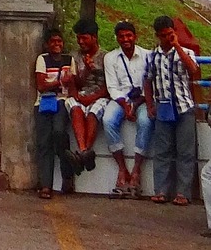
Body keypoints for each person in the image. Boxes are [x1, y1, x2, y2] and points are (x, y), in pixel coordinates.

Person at [145, 14, 201, 205]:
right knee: (162, 151)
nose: (166, 38)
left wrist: (177, 46)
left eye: (169, 34)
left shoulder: (186, 52)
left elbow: (193, 69)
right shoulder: (153, 56)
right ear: (157, 36)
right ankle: (160, 190)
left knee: (186, 152)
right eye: (163, 35)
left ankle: (183, 193)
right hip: (163, 107)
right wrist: (150, 104)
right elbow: (148, 80)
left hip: (184, 106)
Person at [103, 19, 153, 198]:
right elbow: (112, 87)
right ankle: (122, 169)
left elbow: (149, 84)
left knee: (146, 121)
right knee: (108, 120)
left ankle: (136, 171)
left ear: (135, 36)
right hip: (120, 99)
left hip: (143, 100)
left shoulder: (148, 55)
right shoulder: (110, 58)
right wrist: (125, 105)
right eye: (122, 36)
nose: (125, 39)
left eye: (129, 35)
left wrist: (136, 105)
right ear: (117, 38)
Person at [35, 27, 78, 199]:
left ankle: (67, 176)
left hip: (62, 102)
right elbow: (41, 85)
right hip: (44, 103)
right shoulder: (42, 59)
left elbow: (73, 85)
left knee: (59, 133)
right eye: (53, 41)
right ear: (47, 44)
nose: (57, 44)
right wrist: (60, 81)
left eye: (59, 41)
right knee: (44, 143)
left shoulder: (69, 60)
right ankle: (46, 185)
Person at [68, 17, 108, 173]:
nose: (80, 41)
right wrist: (86, 70)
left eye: (84, 38)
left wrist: (92, 98)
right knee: (75, 107)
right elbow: (75, 84)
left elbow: (108, 87)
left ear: (94, 37)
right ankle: (84, 152)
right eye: (78, 38)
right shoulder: (74, 57)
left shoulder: (106, 57)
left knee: (93, 112)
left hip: (100, 96)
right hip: (79, 95)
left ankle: (81, 154)